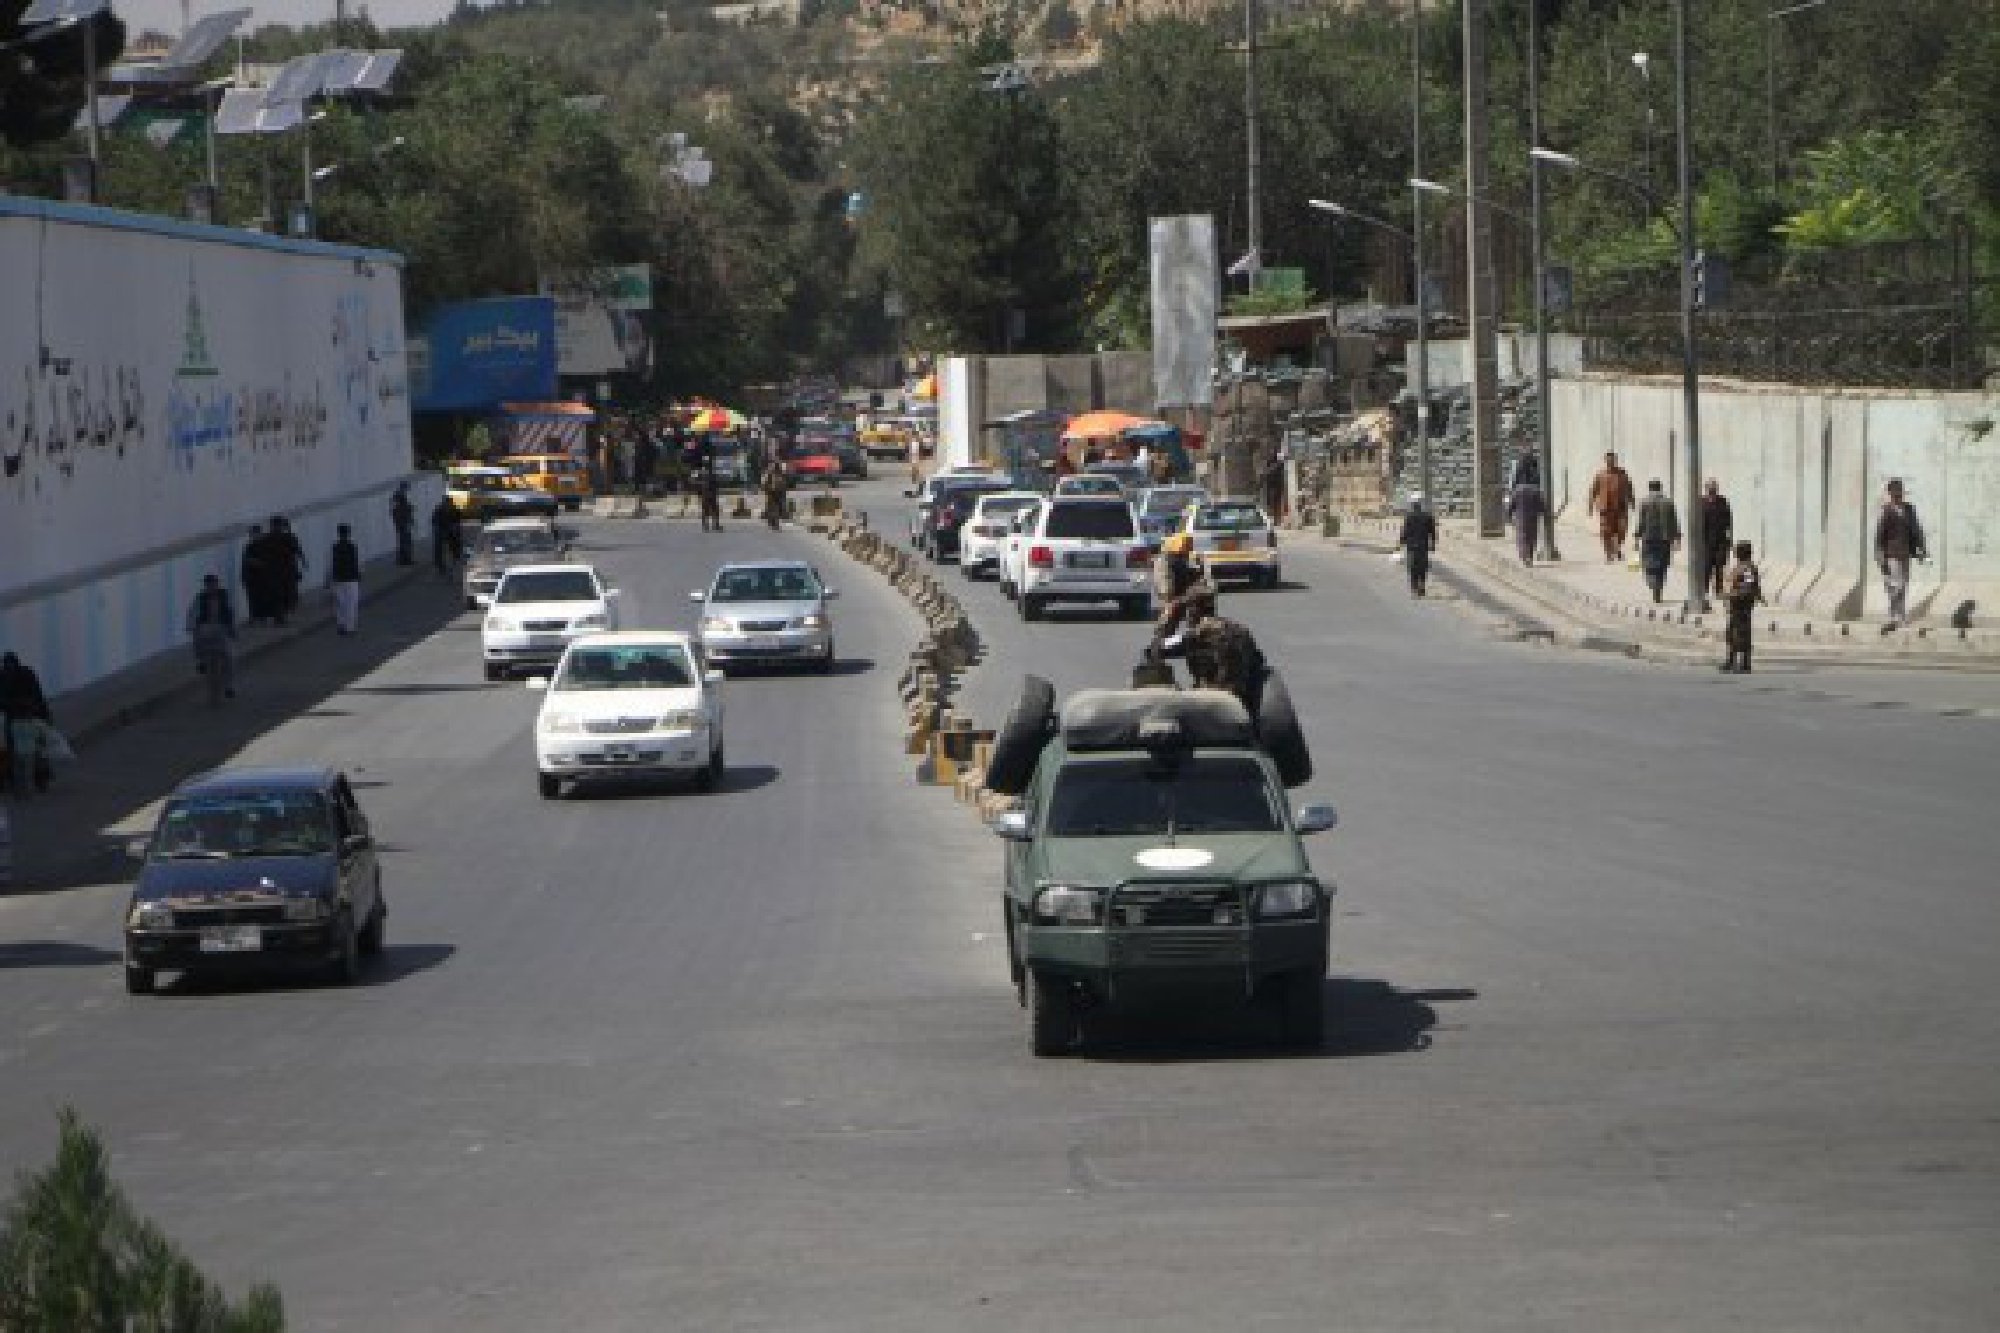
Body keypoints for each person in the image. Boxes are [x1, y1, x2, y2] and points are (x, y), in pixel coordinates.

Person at [1176, 586, 1268, 714]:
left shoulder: (1194, 635)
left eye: (1188, 610)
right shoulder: (1239, 629)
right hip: (1247, 699)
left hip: (1217, 702)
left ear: (1194, 610)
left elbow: (1157, 649)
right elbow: (1260, 662)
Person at [1873, 477, 1928, 632]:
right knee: (1898, 584)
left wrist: (1922, 548)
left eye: (1900, 492)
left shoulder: (1909, 509)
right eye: (1895, 493)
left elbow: (1916, 529)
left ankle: (1901, 616)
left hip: (1906, 553)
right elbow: (1880, 535)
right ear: (1890, 493)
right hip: (1891, 553)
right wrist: (1880, 554)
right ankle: (1893, 614)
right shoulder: (1887, 511)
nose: (1898, 495)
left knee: (1904, 584)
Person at [1, 651, 54, 797]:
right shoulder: (6, 677)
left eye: (9, 666)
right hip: (16, 720)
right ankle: (22, 784)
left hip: (29, 718)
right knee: (20, 754)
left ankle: (37, 780)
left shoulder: (25, 675)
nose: (8, 669)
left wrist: (45, 716)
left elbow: (37, 695)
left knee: (33, 753)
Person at [1149, 533, 1210, 648]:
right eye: (1186, 546)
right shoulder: (1164, 561)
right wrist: (1171, 599)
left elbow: (1196, 576)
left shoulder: (1183, 559)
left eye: (1189, 546)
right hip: (1172, 593)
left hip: (1182, 591)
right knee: (1171, 611)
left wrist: (1200, 569)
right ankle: (1159, 642)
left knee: (1198, 600)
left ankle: (1194, 634)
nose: (1188, 548)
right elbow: (1165, 585)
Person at [185, 574, 237, 705]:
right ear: (206, 586)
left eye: (214, 584)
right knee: (198, 642)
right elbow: (192, 613)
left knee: (229, 657)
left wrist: (232, 629)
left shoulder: (224, 596)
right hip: (206, 628)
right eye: (209, 585)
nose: (212, 587)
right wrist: (192, 627)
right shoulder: (200, 598)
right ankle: (200, 662)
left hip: (221, 627)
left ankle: (229, 686)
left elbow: (230, 612)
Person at [1720, 540, 1765, 674]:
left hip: (1742, 605)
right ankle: (1730, 661)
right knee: (1731, 633)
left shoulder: (1748, 569)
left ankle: (1745, 664)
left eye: (1737, 551)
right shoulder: (1739, 567)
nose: (1734, 554)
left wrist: (1732, 595)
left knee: (1743, 634)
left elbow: (1748, 588)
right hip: (1736, 604)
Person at [1634, 479, 1681, 604]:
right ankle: (1658, 587)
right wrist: (1677, 539)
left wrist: (1636, 538)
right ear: (1660, 488)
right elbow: (1674, 521)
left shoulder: (1644, 502)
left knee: (1648, 562)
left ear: (1650, 488)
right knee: (1663, 563)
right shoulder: (1668, 502)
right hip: (1665, 539)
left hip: (1648, 538)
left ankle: (1652, 583)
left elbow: (1641, 522)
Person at [1587, 451, 1637, 563]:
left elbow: (1629, 489)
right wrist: (1590, 506)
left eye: (1613, 460)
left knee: (1621, 530)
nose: (1611, 462)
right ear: (1605, 461)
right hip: (1605, 509)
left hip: (1620, 508)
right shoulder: (1600, 475)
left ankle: (1617, 548)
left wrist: (1632, 503)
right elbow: (1593, 491)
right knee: (1605, 531)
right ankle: (1608, 553)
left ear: (1615, 461)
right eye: (1608, 460)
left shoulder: (1622, 474)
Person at [268, 516, 307, 625]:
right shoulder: (287, 537)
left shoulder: (270, 538)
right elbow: (297, 549)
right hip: (284, 570)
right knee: (284, 593)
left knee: (279, 594)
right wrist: (303, 560)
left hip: (277, 571)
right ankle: (280, 617)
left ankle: (279, 617)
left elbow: (296, 549)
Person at [1699, 477, 1734, 599]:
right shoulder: (1701, 502)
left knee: (1720, 565)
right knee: (1706, 566)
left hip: (1721, 540)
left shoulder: (1723, 501)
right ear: (1706, 489)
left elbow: (1729, 521)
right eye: (1710, 488)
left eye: (1714, 488)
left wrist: (1729, 539)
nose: (1712, 491)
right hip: (1705, 541)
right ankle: (1703, 590)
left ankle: (1718, 590)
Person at [1397, 494, 1437, 597]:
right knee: (1423, 566)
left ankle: (1414, 589)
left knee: (1413, 567)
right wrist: (1432, 545)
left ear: (1413, 505)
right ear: (1420, 504)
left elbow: (1405, 531)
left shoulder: (1409, 517)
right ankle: (1422, 586)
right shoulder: (1428, 516)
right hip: (1423, 546)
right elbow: (1432, 532)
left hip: (1412, 546)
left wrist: (1401, 543)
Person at [1506, 468, 1546, 567]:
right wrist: (1543, 514)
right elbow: (1541, 505)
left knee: (1522, 537)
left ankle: (1525, 557)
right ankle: (1530, 557)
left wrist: (1509, 516)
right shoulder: (1536, 491)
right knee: (1532, 537)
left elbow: (1511, 505)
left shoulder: (1517, 491)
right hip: (1533, 517)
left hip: (1521, 517)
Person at [329, 523, 362, 635]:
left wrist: (330, 579)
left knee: (340, 603)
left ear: (338, 534)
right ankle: (350, 627)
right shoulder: (352, 546)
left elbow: (332, 563)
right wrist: (359, 575)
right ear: (348, 533)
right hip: (351, 578)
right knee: (351, 603)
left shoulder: (335, 547)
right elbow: (355, 562)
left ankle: (341, 625)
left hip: (338, 578)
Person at [240, 524, 274, 626]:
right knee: (253, 598)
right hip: (252, 578)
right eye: (252, 534)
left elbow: (266, 561)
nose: (253, 536)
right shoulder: (250, 546)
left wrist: (256, 562)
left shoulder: (263, 545)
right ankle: (256, 617)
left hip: (261, 577)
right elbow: (246, 562)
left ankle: (261, 618)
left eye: (255, 533)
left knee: (261, 598)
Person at [431, 495, 464, 577]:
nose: (448, 504)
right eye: (446, 502)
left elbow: (458, 521)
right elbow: (434, 521)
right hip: (443, 531)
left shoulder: (454, 510)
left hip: (451, 532)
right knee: (439, 547)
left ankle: (453, 562)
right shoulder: (439, 510)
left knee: (455, 547)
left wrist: (455, 528)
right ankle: (441, 565)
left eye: (449, 502)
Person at [760, 456, 790, 530]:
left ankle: (774, 520)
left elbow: (785, 480)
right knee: (773, 507)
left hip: (777, 491)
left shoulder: (780, 471)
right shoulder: (770, 472)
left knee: (776, 507)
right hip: (773, 491)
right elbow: (764, 482)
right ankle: (774, 522)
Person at [391, 483, 416, 566]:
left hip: (402, 523)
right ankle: (405, 560)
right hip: (403, 523)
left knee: (404, 541)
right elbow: (400, 511)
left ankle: (404, 559)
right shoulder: (400, 497)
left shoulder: (399, 498)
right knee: (405, 541)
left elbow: (397, 512)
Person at [698, 461, 724, 533]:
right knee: (714, 510)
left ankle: (707, 525)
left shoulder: (702, 474)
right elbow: (716, 485)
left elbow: (699, 484)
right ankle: (715, 525)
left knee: (706, 510)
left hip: (706, 494)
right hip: (711, 494)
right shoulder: (711, 474)